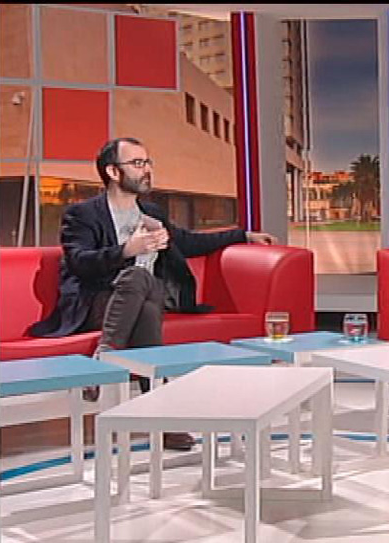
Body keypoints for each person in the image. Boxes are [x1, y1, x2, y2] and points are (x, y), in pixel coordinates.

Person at [29, 137, 276, 451]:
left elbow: (188, 242)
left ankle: (105, 357)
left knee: (145, 287)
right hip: (99, 301)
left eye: (147, 162)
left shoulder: (151, 212)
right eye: (137, 163)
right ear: (113, 172)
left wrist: (244, 235)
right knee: (139, 285)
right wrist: (127, 250)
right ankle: (164, 421)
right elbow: (79, 262)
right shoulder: (83, 214)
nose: (146, 169)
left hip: (146, 297)